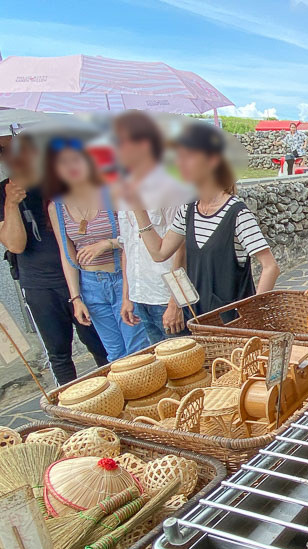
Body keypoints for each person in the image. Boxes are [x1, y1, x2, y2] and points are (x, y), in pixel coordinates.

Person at [129, 123, 280, 315]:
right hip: (201, 319)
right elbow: (159, 253)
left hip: (233, 323)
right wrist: (138, 210)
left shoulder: (237, 214)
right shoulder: (189, 209)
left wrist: (253, 312)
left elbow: (270, 267)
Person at [0, 133, 108, 383]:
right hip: (39, 284)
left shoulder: (58, 182)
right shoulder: (4, 192)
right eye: (3, 150)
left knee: (99, 343)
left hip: (81, 276)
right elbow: (15, 245)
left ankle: (115, 398)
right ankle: (71, 412)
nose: (12, 155)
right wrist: (11, 204)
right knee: (58, 354)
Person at [45, 138, 149, 362]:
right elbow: (67, 254)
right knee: (115, 355)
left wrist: (107, 243)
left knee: (138, 350)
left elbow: (134, 240)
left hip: (121, 277)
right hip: (90, 285)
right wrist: (76, 298)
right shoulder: (57, 207)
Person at [113, 111, 193, 344]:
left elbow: (181, 248)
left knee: (185, 367)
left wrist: (175, 301)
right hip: (141, 295)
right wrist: (127, 297)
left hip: (164, 295)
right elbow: (127, 247)